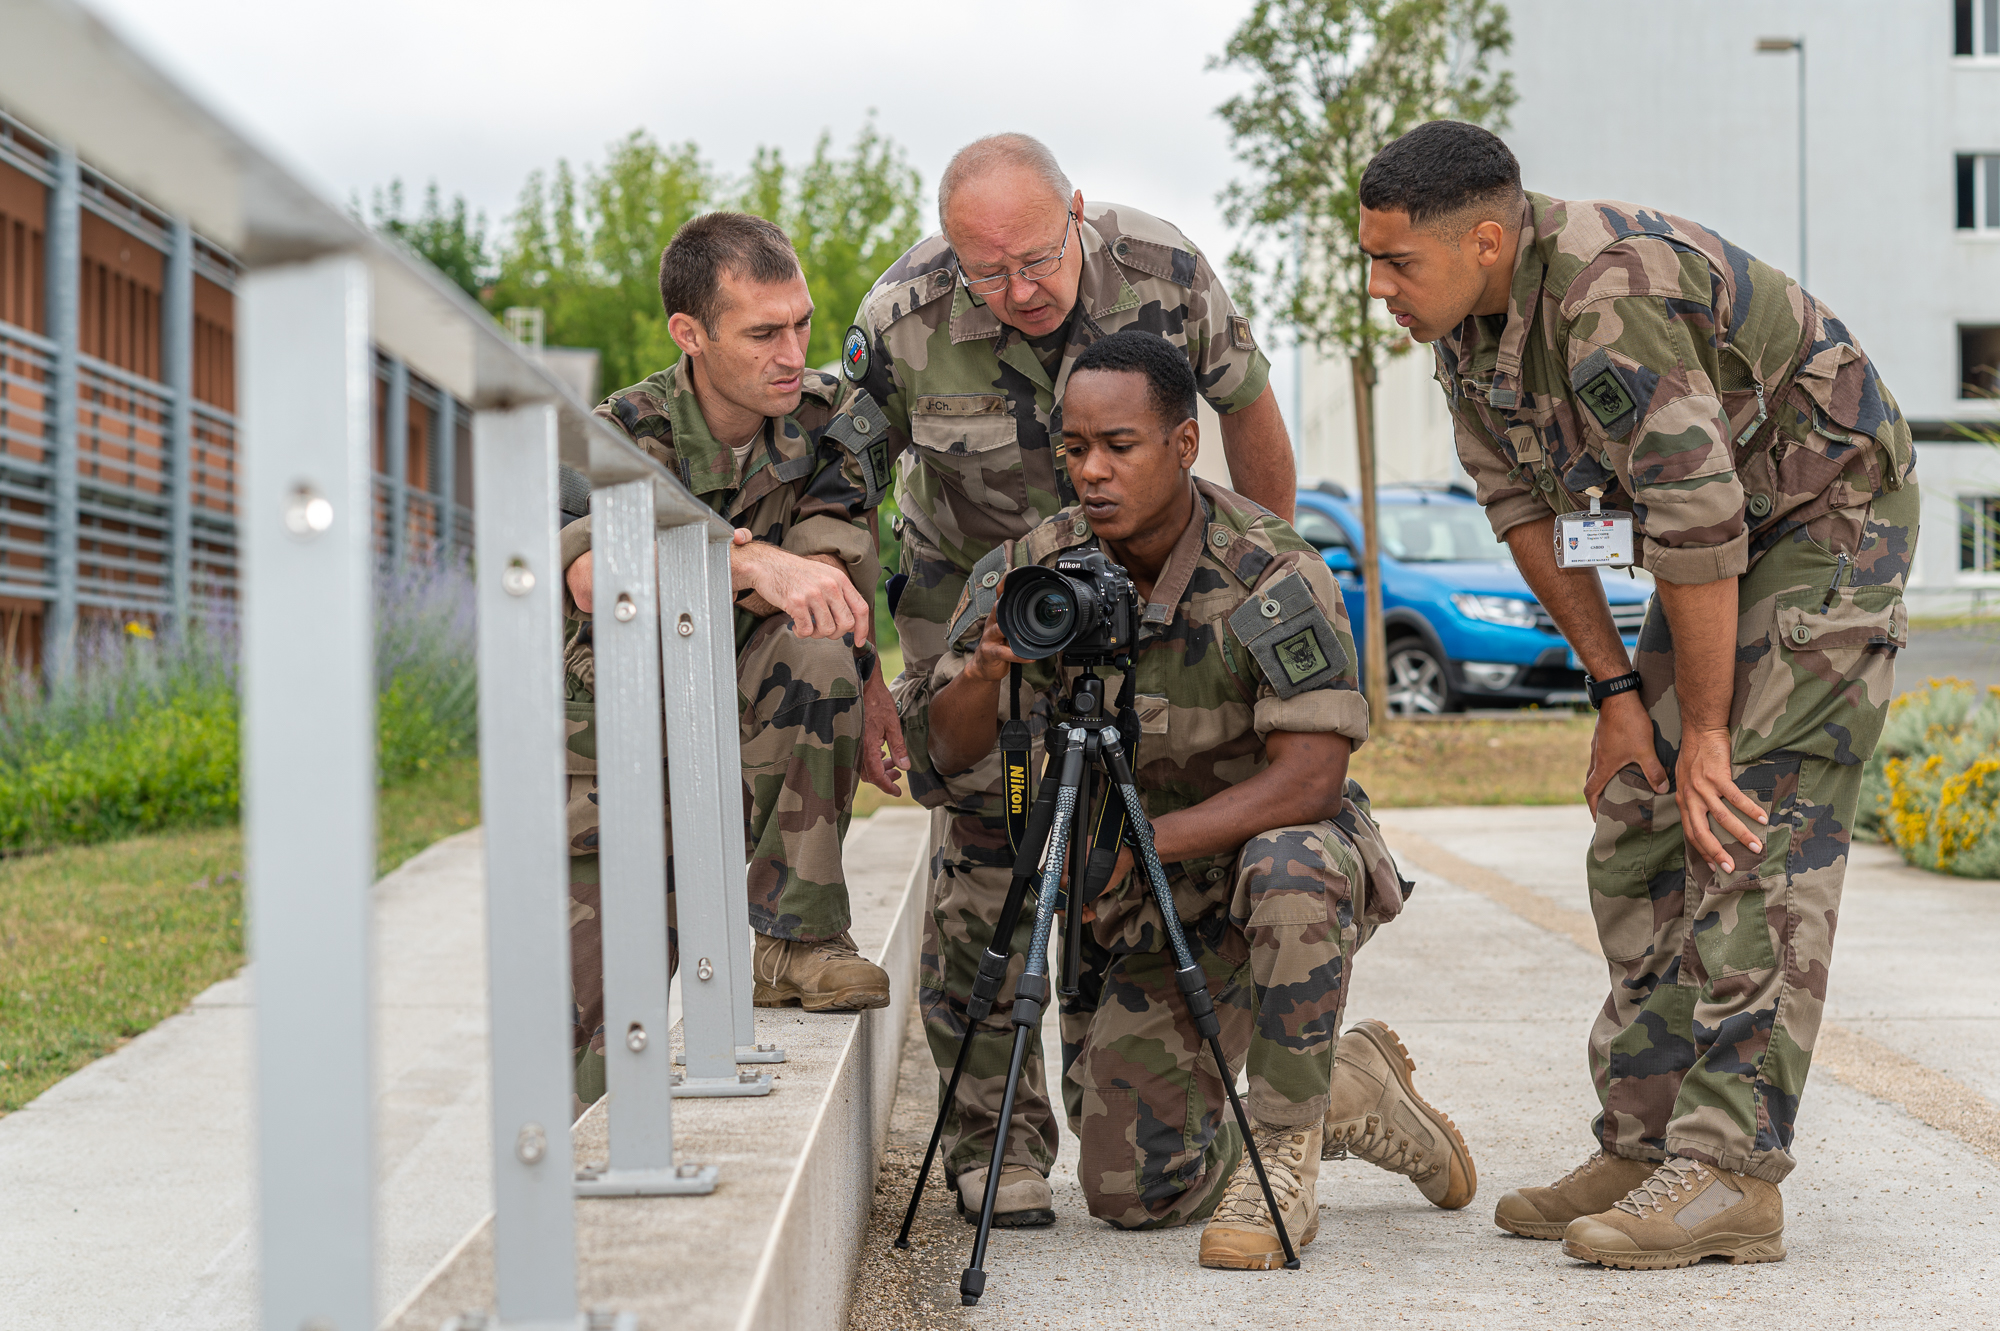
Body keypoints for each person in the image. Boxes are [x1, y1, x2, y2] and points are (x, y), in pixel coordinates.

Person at [1359, 119, 1918, 1269]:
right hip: (1712, 544)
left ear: (1482, 239)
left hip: (1822, 516)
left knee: (1744, 816)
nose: (1376, 288)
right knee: (1633, 815)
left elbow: (1700, 518)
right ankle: (1646, 1137)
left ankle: (1729, 1171)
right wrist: (1618, 693)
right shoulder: (1464, 333)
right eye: (1366, 259)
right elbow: (1526, 517)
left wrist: (1708, 731)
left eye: (1395, 262)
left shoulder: (1609, 296)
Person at [916, 329, 1476, 1269]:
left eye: (1119, 447)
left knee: (1290, 855)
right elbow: (946, 751)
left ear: (1183, 445)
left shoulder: (1271, 569)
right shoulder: (1034, 569)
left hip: (1255, 871)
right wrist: (985, 669)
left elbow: (1312, 777)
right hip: (1132, 902)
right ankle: (1345, 1088)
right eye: (1075, 448)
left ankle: (1283, 1159)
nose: (1092, 472)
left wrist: (1141, 841)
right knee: (1135, 1193)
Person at [847, 132, 1298, 1226]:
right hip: (985, 621)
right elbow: (837, 491)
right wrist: (863, 670)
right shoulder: (899, 318)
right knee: (988, 845)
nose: (1018, 290)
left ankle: (1143, 1077)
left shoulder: (1166, 273)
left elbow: (1246, 410)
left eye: (1038, 260)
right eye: (986, 272)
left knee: (1122, 832)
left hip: (1150, 609)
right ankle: (990, 1137)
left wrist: (1273, 577)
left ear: (1080, 215)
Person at [559, 212, 908, 1104]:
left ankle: (797, 936)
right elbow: (596, 576)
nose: (793, 350)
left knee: (821, 641)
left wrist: (714, 571)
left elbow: (825, 587)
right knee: (592, 1054)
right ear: (691, 334)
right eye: (763, 332)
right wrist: (744, 560)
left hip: (758, 709)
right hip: (623, 748)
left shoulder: (833, 423)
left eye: (801, 322)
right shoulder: (618, 434)